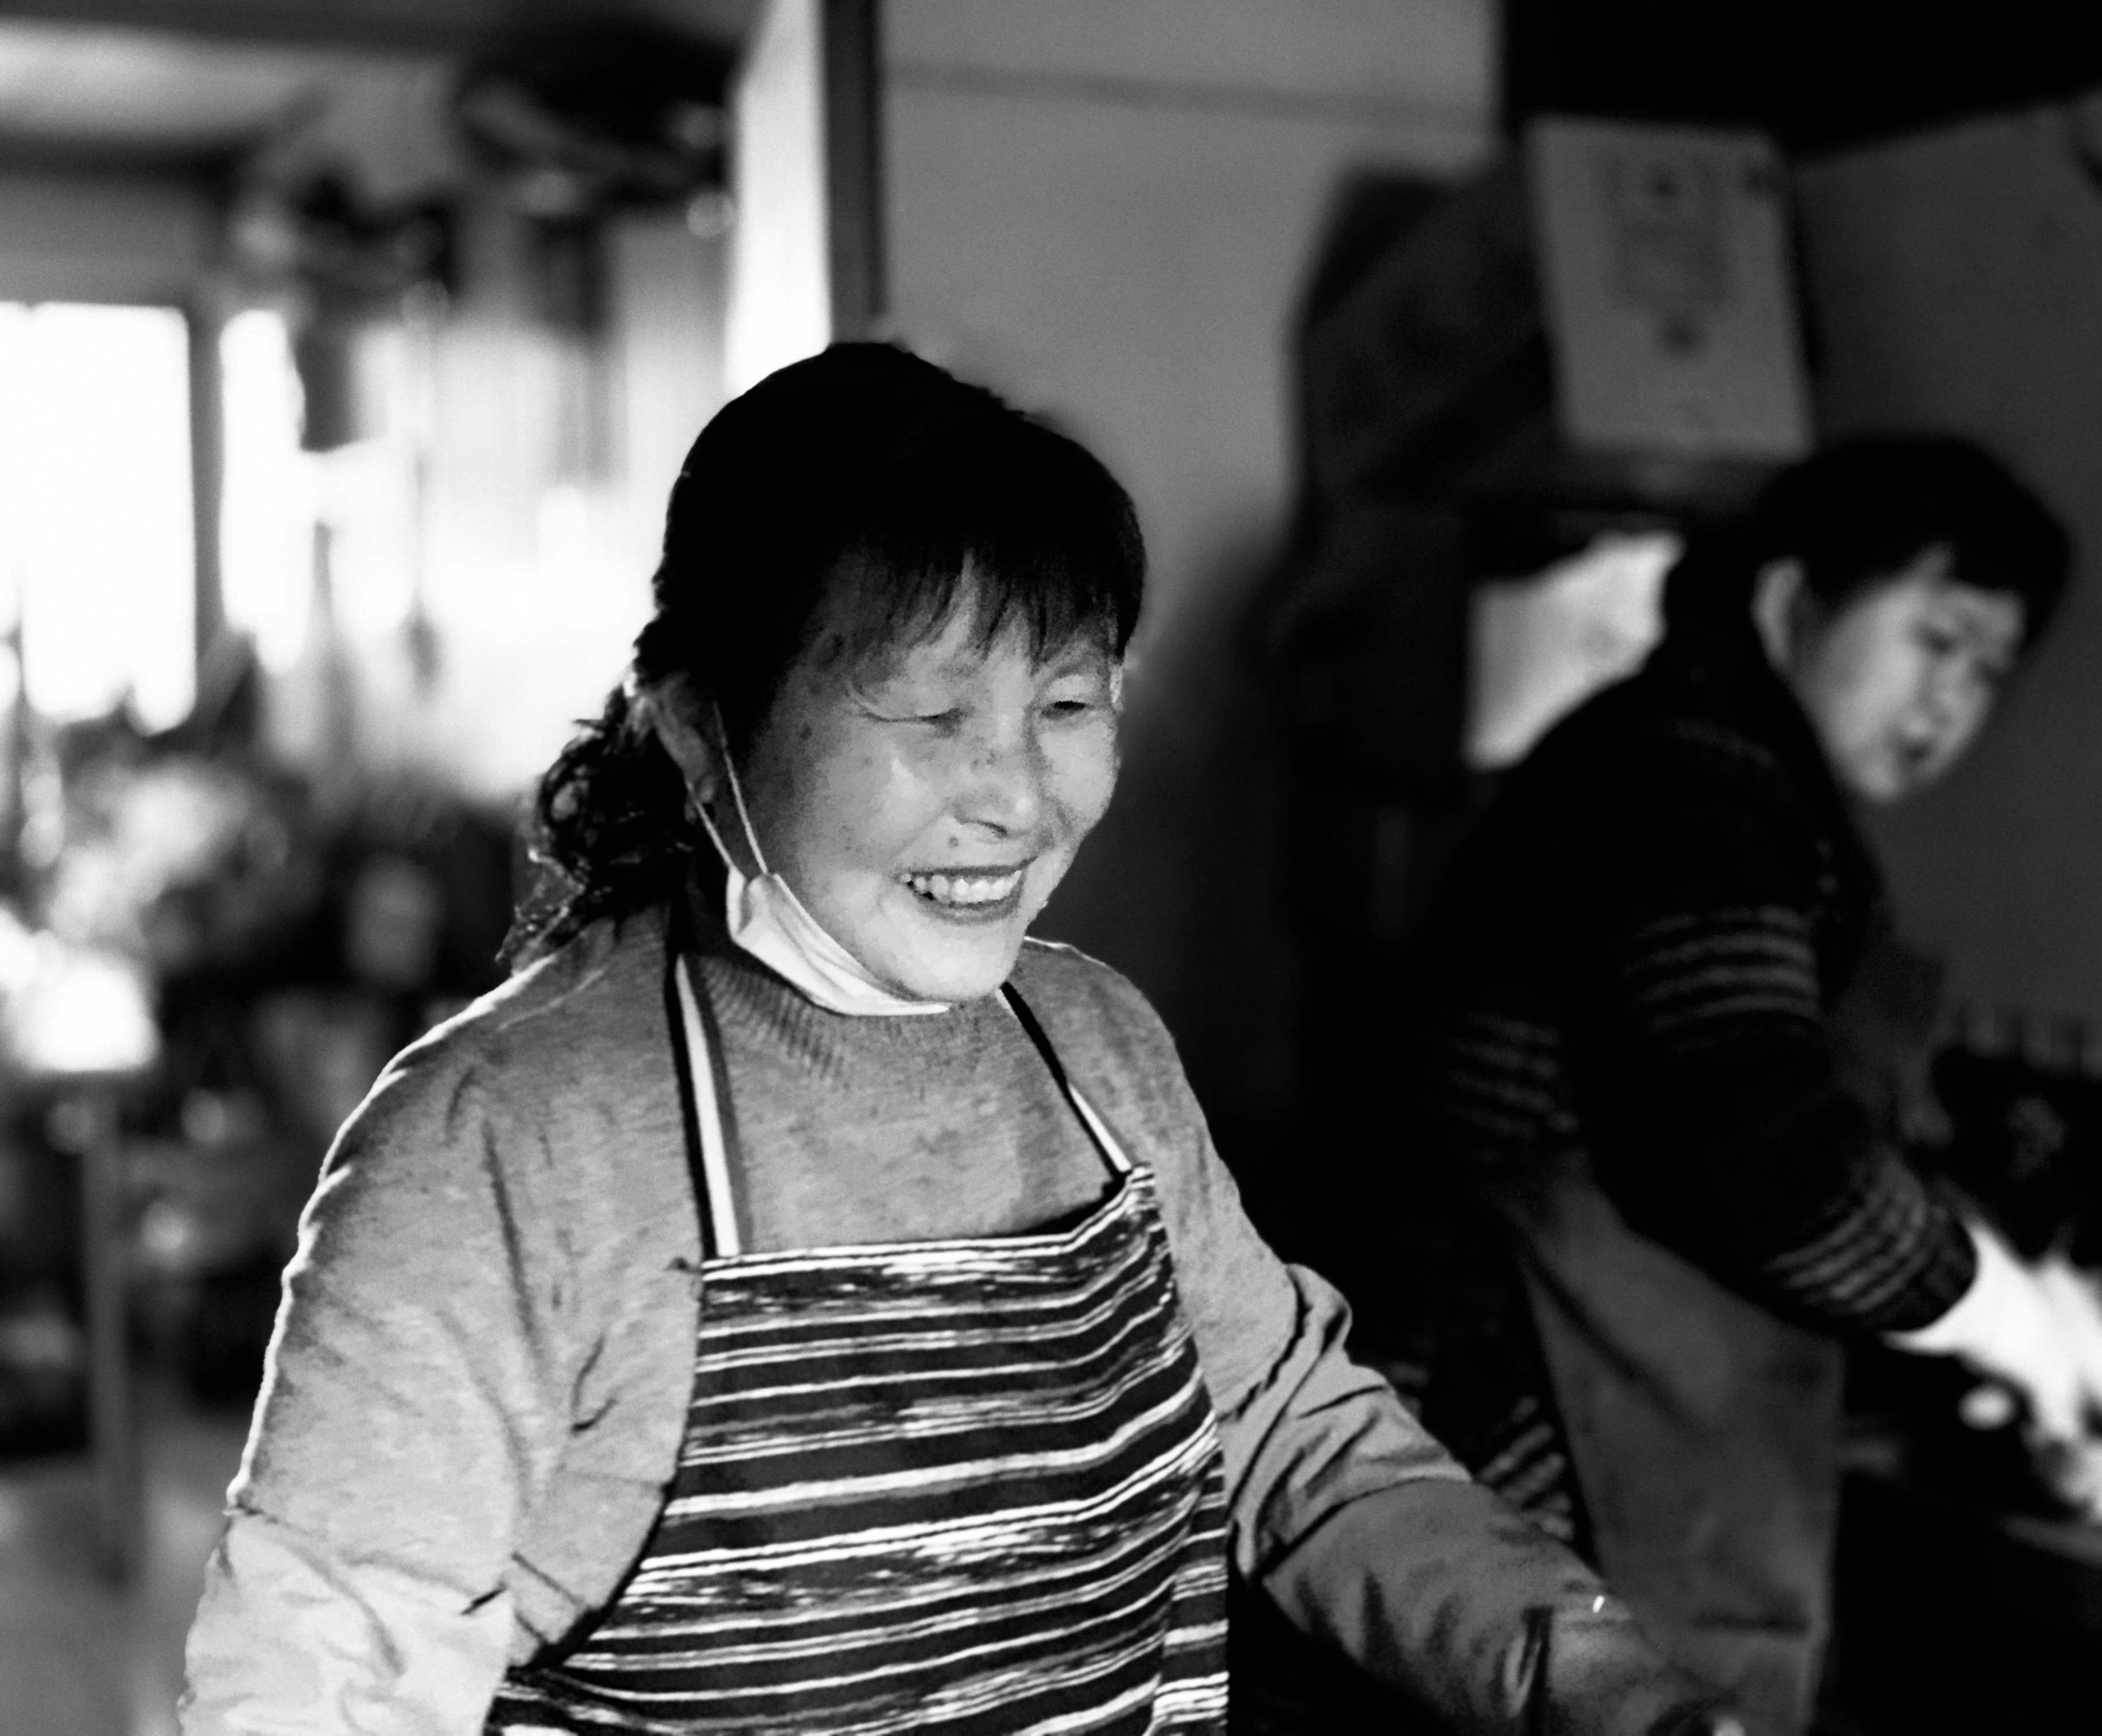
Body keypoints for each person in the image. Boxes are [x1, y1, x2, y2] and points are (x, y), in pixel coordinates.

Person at [179, 344, 1735, 1736]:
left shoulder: (1092, 1045)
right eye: (931, 718)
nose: (1017, 799)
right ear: (702, 725)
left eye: (1067, 707)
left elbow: (1293, 1444)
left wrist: (1594, 1680)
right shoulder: (502, 1144)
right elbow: (323, 1686)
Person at [1387, 437, 2102, 1736]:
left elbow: (1817, 1120)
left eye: (1988, 671)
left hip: (1645, 1446)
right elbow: (1764, 1157)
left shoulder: (1758, 798)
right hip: (1535, 1443)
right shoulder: (1693, 784)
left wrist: (2002, 1302)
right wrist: (2003, 1317)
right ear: (1789, 601)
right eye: (1936, 639)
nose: (1951, 702)